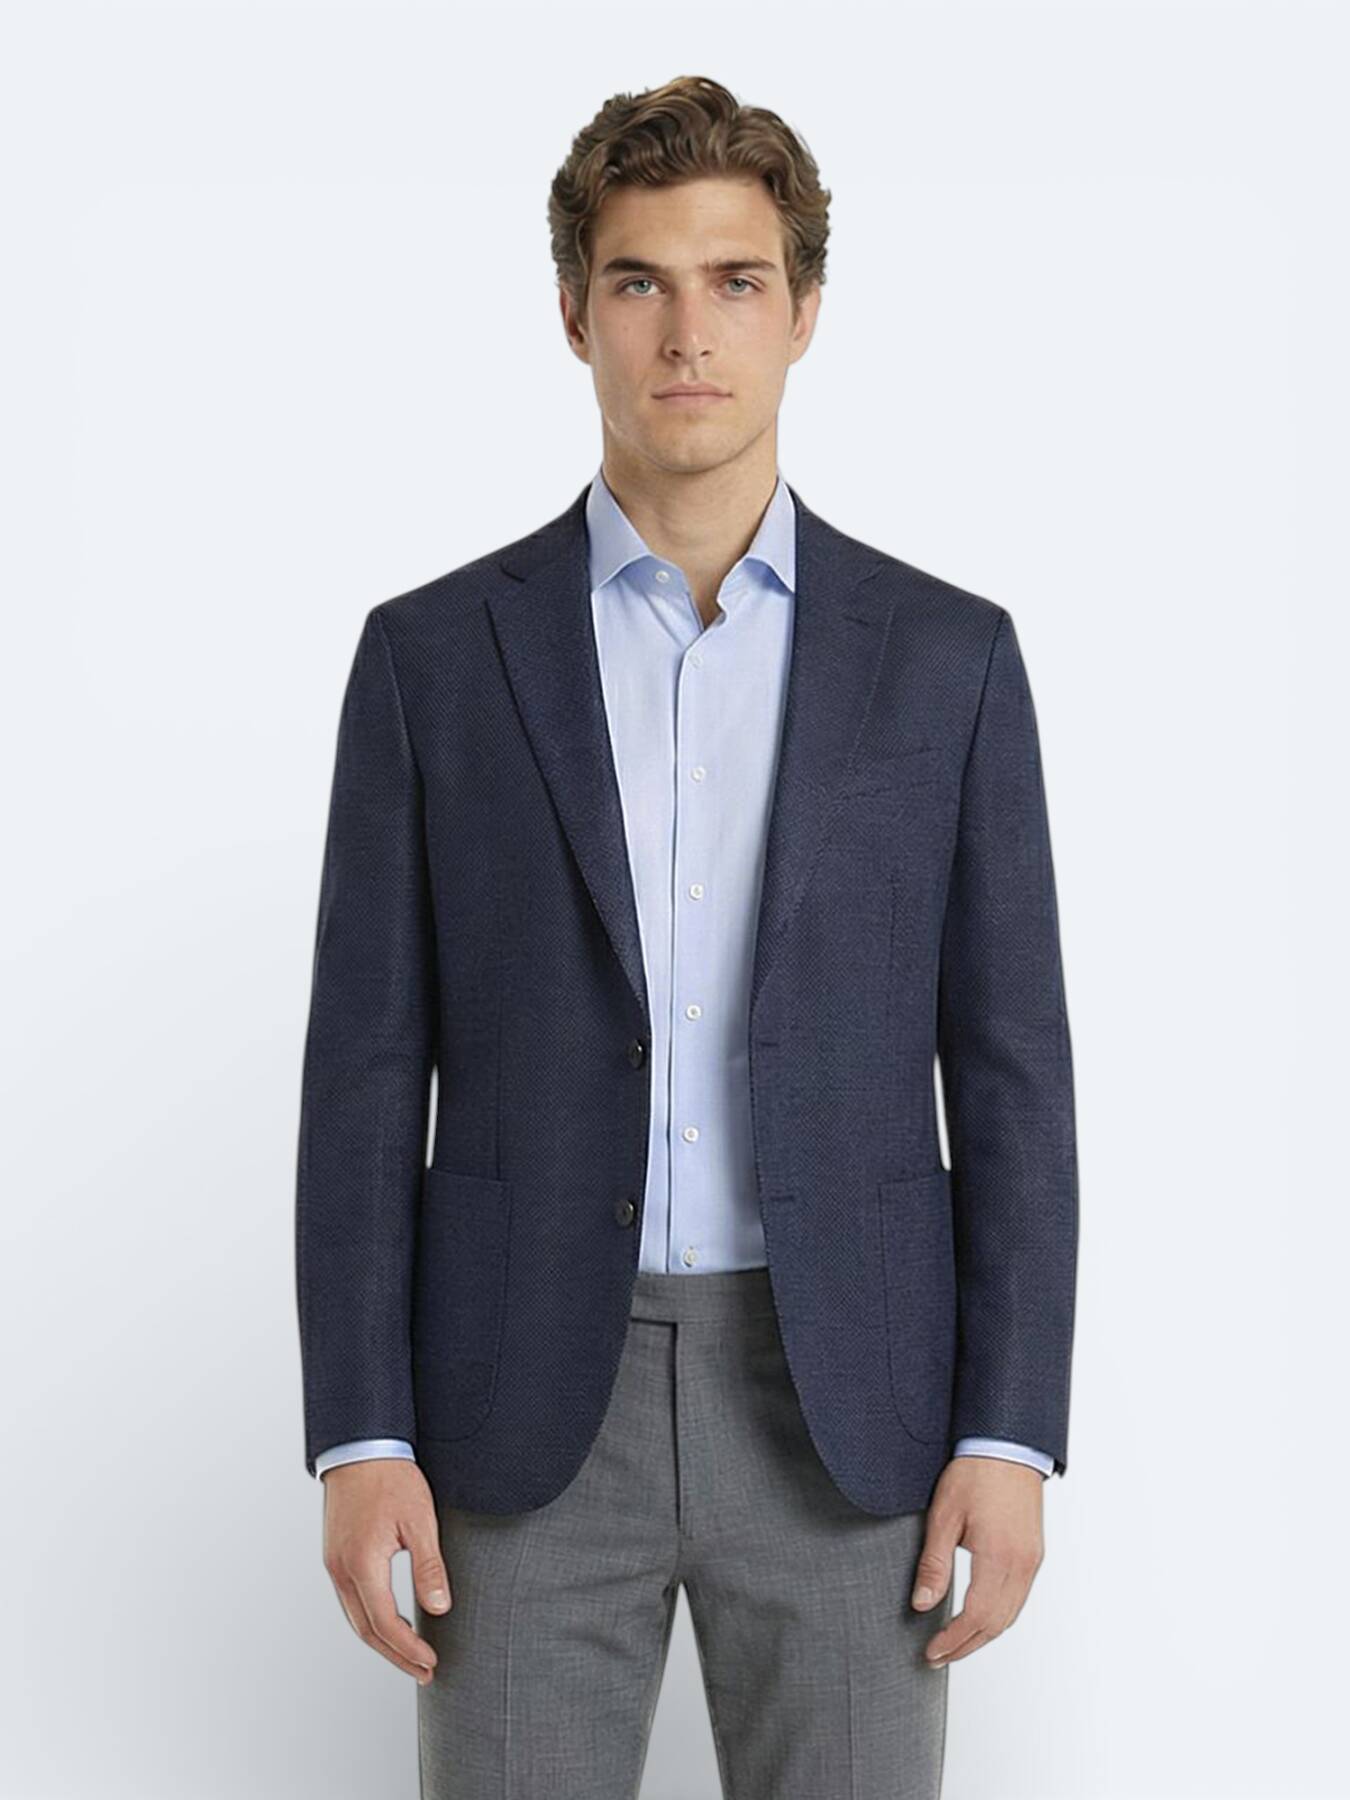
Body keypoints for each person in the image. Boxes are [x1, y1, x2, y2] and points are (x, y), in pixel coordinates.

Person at [295, 72, 1079, 1800]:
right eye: (639, 280)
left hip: (850, 1404)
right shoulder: (431, 659)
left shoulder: (946, 660)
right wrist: (359, 1430)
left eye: (735, 281)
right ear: (572, 312)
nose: (686, 333)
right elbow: (361, 1073)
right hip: (514, 1402)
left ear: (804, 311)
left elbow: (1011, 1067)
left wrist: (1009, 1430)